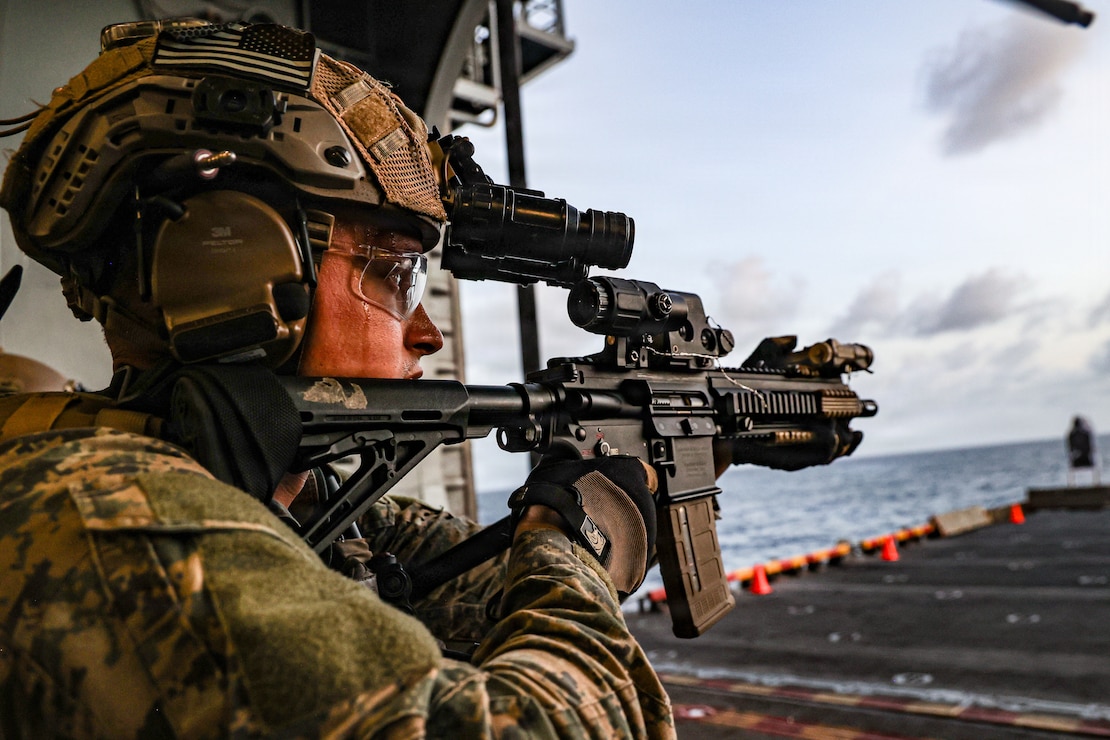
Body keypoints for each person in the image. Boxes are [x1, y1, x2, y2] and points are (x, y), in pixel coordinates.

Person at [0, 20, 674, 737]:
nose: (427, 333)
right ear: (238, 270)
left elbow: (487, 586)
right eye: (395, 274)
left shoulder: (276, 497)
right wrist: (581, 538)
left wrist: (651, 468)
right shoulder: (107, 511)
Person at [1067, 415, 1100, 486]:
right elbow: (1091, 447)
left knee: (1071, 469)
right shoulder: (1086, 434)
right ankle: (1096, 484)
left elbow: (1070, 449)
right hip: (1087, 459)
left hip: (1076, 461)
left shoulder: (1071, 435)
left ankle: (1071, 485)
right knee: (1096, 466)